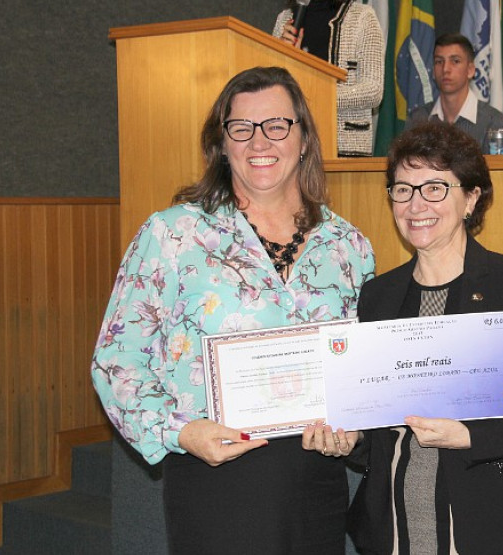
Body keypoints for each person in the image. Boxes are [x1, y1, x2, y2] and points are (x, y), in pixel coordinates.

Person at [90, 67, 375, 554]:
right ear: (222, 144)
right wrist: (180, 430)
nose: (259, 141)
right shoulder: (173, 235)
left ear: (303, 137)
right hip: (217, 477)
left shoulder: (348, 246)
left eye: (277, 125)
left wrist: (354, 429)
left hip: (316, 482)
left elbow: (365, 367)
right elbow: (116, 360)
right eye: (241, 128)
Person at [305, 123, 503, 553]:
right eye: (403, 190)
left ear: (471, 198)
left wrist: (468, 435)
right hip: (390, 527)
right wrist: (349, 438)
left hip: (486, 524)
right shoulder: (378, 295)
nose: (415, 205)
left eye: (434, 188)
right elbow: (374, 419)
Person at [274, 0, 384, 156]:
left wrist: (319, 97)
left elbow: (373, 91)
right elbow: (271, 87)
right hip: (293, 146)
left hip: (345, 149)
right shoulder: (285, 19)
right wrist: (282, 57)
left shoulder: (362, 17)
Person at [405, 34, 503, 147]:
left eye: (455, 61)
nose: (445, 69)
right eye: (439, 62)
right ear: (433, 72)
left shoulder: (493, 122)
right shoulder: (418, 120)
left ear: (470, 70)